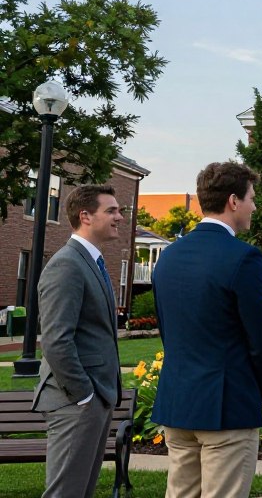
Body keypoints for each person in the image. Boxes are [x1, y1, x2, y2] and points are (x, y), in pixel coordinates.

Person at [151, 161, 262, 498]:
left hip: (178, 402)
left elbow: (168, 330)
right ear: (233, 201)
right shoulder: (243, 257)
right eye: (251, 198)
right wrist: (258, 391)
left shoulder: (169, 256)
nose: (254, 206)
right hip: (227, 407)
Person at [32, 184, 124, 498]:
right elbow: (56, 341)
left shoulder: (91, 262)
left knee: (80, 492)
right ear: (85, 216)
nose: (119, 217)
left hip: (93, 399)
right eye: (111, 210)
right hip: (76, 402)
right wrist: (84, 395)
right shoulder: (67, 264)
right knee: (65, 493)